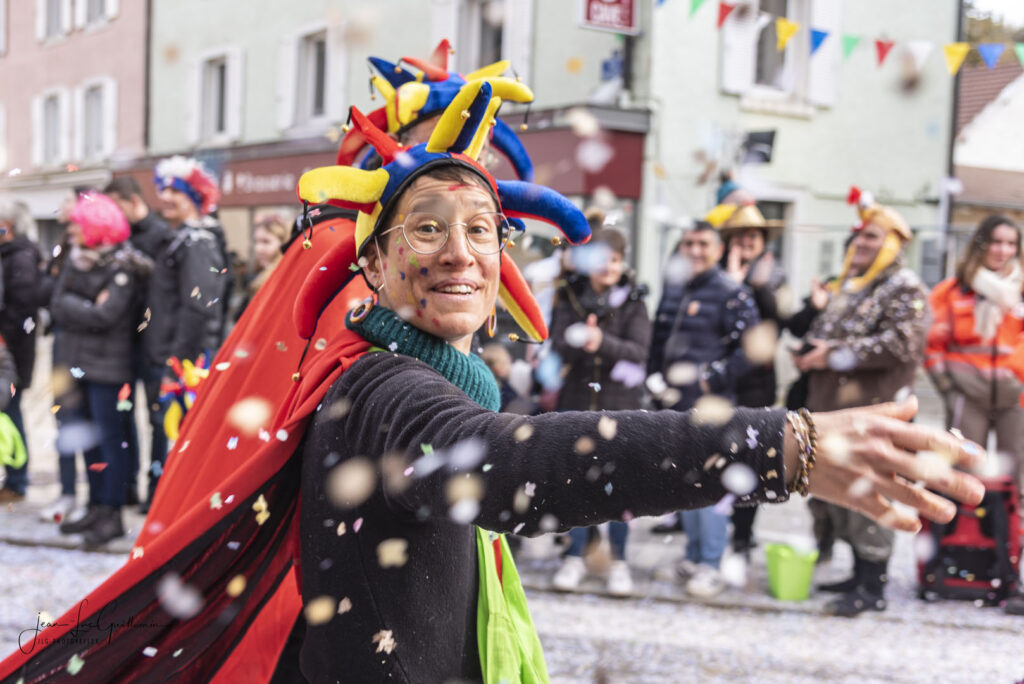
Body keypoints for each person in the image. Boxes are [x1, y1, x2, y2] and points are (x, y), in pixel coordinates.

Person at [0, 83, 985, 684]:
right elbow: (503, 466)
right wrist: (779, 446)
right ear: (373, 265)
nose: (459, 251)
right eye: (426, 228)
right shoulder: (381, 387)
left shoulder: (436, 371)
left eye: (481, 230)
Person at [792, 188, 931, 617]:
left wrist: (832, 354)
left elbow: (902, 344)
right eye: (859, 235)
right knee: (842, 493)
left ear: (893, 243)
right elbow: (828, 333)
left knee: (869, 493)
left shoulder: (904, 287)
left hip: (876, 412)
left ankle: (873, 585)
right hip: (834, 411)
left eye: (872, 236)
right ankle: (857, 574)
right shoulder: (851, 285)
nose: (861, 242)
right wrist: (810, 350)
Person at [648, 219, 760, 597]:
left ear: (718, 250)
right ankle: (694, 557)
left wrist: (714, 377)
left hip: (713, 406)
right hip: (673, 404)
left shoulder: (732, 292)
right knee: (685, 481)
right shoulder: (675, 287)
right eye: (689, 243)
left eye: (703, 244)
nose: (695, 251)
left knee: (710, 483)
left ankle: (711, 564)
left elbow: (752, 348)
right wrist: (652, 378)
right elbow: (659, 339)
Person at [548, 224, 650, 596]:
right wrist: (581, 340)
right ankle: (575, 556)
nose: (608, 267)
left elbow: (638, 353)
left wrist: (601, 342)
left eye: (615, 260)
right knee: (575, 483)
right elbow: (558, 345)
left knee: (619, 486)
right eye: (602, 259)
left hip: (620, 407)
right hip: (576, 404)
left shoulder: (634, 302)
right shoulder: (570, 297)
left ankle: (619, 561)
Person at [49, 193, 152, 545]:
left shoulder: (123, 267)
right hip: (78, 363)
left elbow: (107, 315)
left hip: (110, 367)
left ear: (95, 228)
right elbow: (57, 304)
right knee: (88, 440)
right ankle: (95, 505)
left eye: (77, 225)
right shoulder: (76, 260)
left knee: (110, 441)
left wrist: (77, 307)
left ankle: (112, 511)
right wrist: (86, 306)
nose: (71, 231)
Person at [141, 156, 229, 507]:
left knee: (176, 432)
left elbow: (199, 308)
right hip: (170, 355)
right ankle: (161, 498)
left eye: (174, 192)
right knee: (165, 429)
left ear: (194, 197)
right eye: (162, 191)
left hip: (185, 363)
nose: (164, 198)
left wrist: (177, 362)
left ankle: (171, 504)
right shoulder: (180, 239)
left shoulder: (197, 242)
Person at [713, 181, 788, 559]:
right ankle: (707, 530)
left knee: (752, 458)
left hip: (756, 383)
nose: (746, 242)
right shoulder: (715, 271)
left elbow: (779, 323)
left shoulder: (774, 275)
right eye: (740, 235)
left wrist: (755, 289)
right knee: (711, 454)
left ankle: (742, 534)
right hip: (719, 379)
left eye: (753, 236)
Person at [925, 215, 1023, 494]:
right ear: (980, 244)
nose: (1003, 250)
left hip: (1015, 398)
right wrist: (947, 388)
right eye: (996, 242)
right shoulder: (952, 291)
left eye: (1011, 244)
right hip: (967, 397)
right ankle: (960, 521)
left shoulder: (1021, 291)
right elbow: (931, 343)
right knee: (962, 469)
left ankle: (1011, 522)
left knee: (1015, 472)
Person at [103, 176, 172, 509]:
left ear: (132, 201)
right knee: (123, 414)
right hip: (123, 343)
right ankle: (127, 485)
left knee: (157, 420)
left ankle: (157, 489)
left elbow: (168, 292)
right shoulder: (119, 237)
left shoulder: (163, 235)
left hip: (155, 344)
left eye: (117, 207)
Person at [0, 201, 42, 504]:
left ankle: (17, 481)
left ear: (9, 226)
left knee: (11, 411)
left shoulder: (21, 258)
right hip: (8, 351)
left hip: (11, 355)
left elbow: (22, 311)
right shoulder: (9, 254)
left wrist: (4, 342)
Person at [235, 214, 290, 320]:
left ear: (282, 243)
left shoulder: (280, 278)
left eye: (266, 242)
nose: (258, 248)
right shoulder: (261, 273)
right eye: (256, 241)